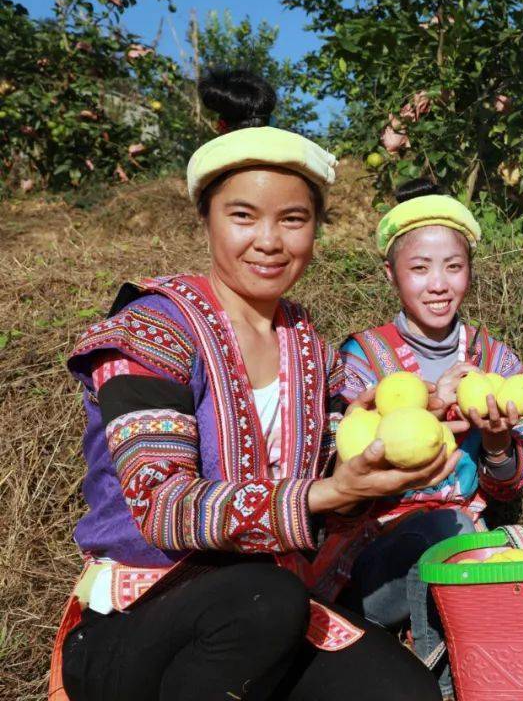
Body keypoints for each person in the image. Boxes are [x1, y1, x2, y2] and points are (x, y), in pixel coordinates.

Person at [49, 70, 452, 701]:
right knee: (263, 597)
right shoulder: (149, 332)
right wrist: (324, 493)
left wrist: (378, 460)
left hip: (271, 611)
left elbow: (338, 484)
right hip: (138, 625)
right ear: (206, 219)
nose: (269, 240)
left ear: (315, 231)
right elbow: (164, 506)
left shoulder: (309, 349)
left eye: (293, 219)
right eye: (243, 216)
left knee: (402, 693)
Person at [336, 178, 523, 697]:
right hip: (378, 560)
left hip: (470, 546)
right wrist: (430, 401)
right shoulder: (361, 360)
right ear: (391, 274)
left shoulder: (496, 361)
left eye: (453, 266)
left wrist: (495, 445)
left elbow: (509, 490)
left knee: (506, 555)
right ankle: (443, 684)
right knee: (442, 532)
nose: (439, 283)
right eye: (420, 269)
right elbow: (349, 468)